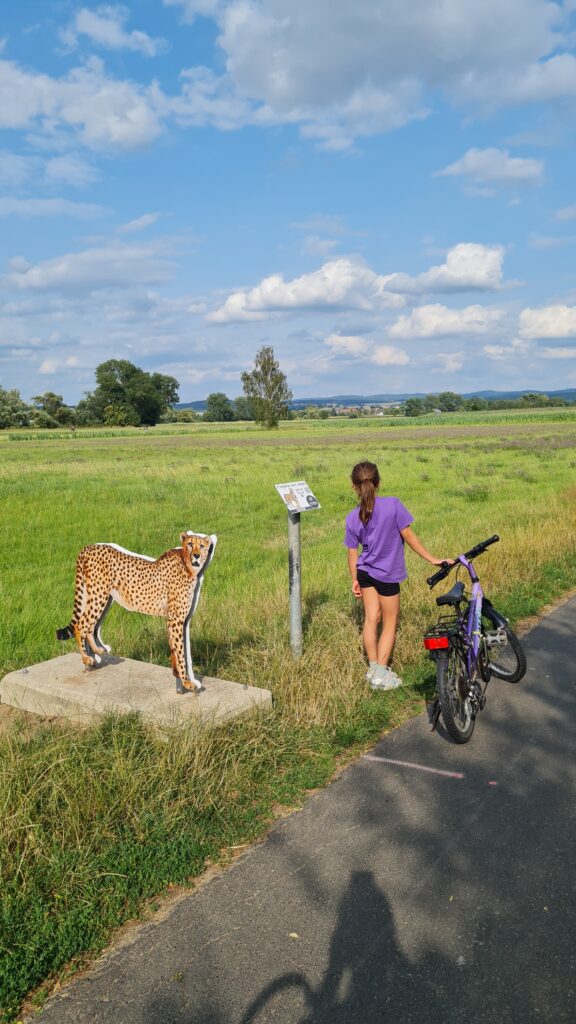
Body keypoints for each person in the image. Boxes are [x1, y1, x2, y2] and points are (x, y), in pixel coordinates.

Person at [344, 461, 452, 691]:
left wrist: (355, 579)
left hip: (364, 572)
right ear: (378, 482)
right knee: (390, 623)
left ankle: (373, 667)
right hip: (386, 575)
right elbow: (409, 536)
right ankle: (381, 675)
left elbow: (352, 553)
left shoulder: (353, 517)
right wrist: (432, 559)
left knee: (371, 618)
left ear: (354, 486)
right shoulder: (393, 505)